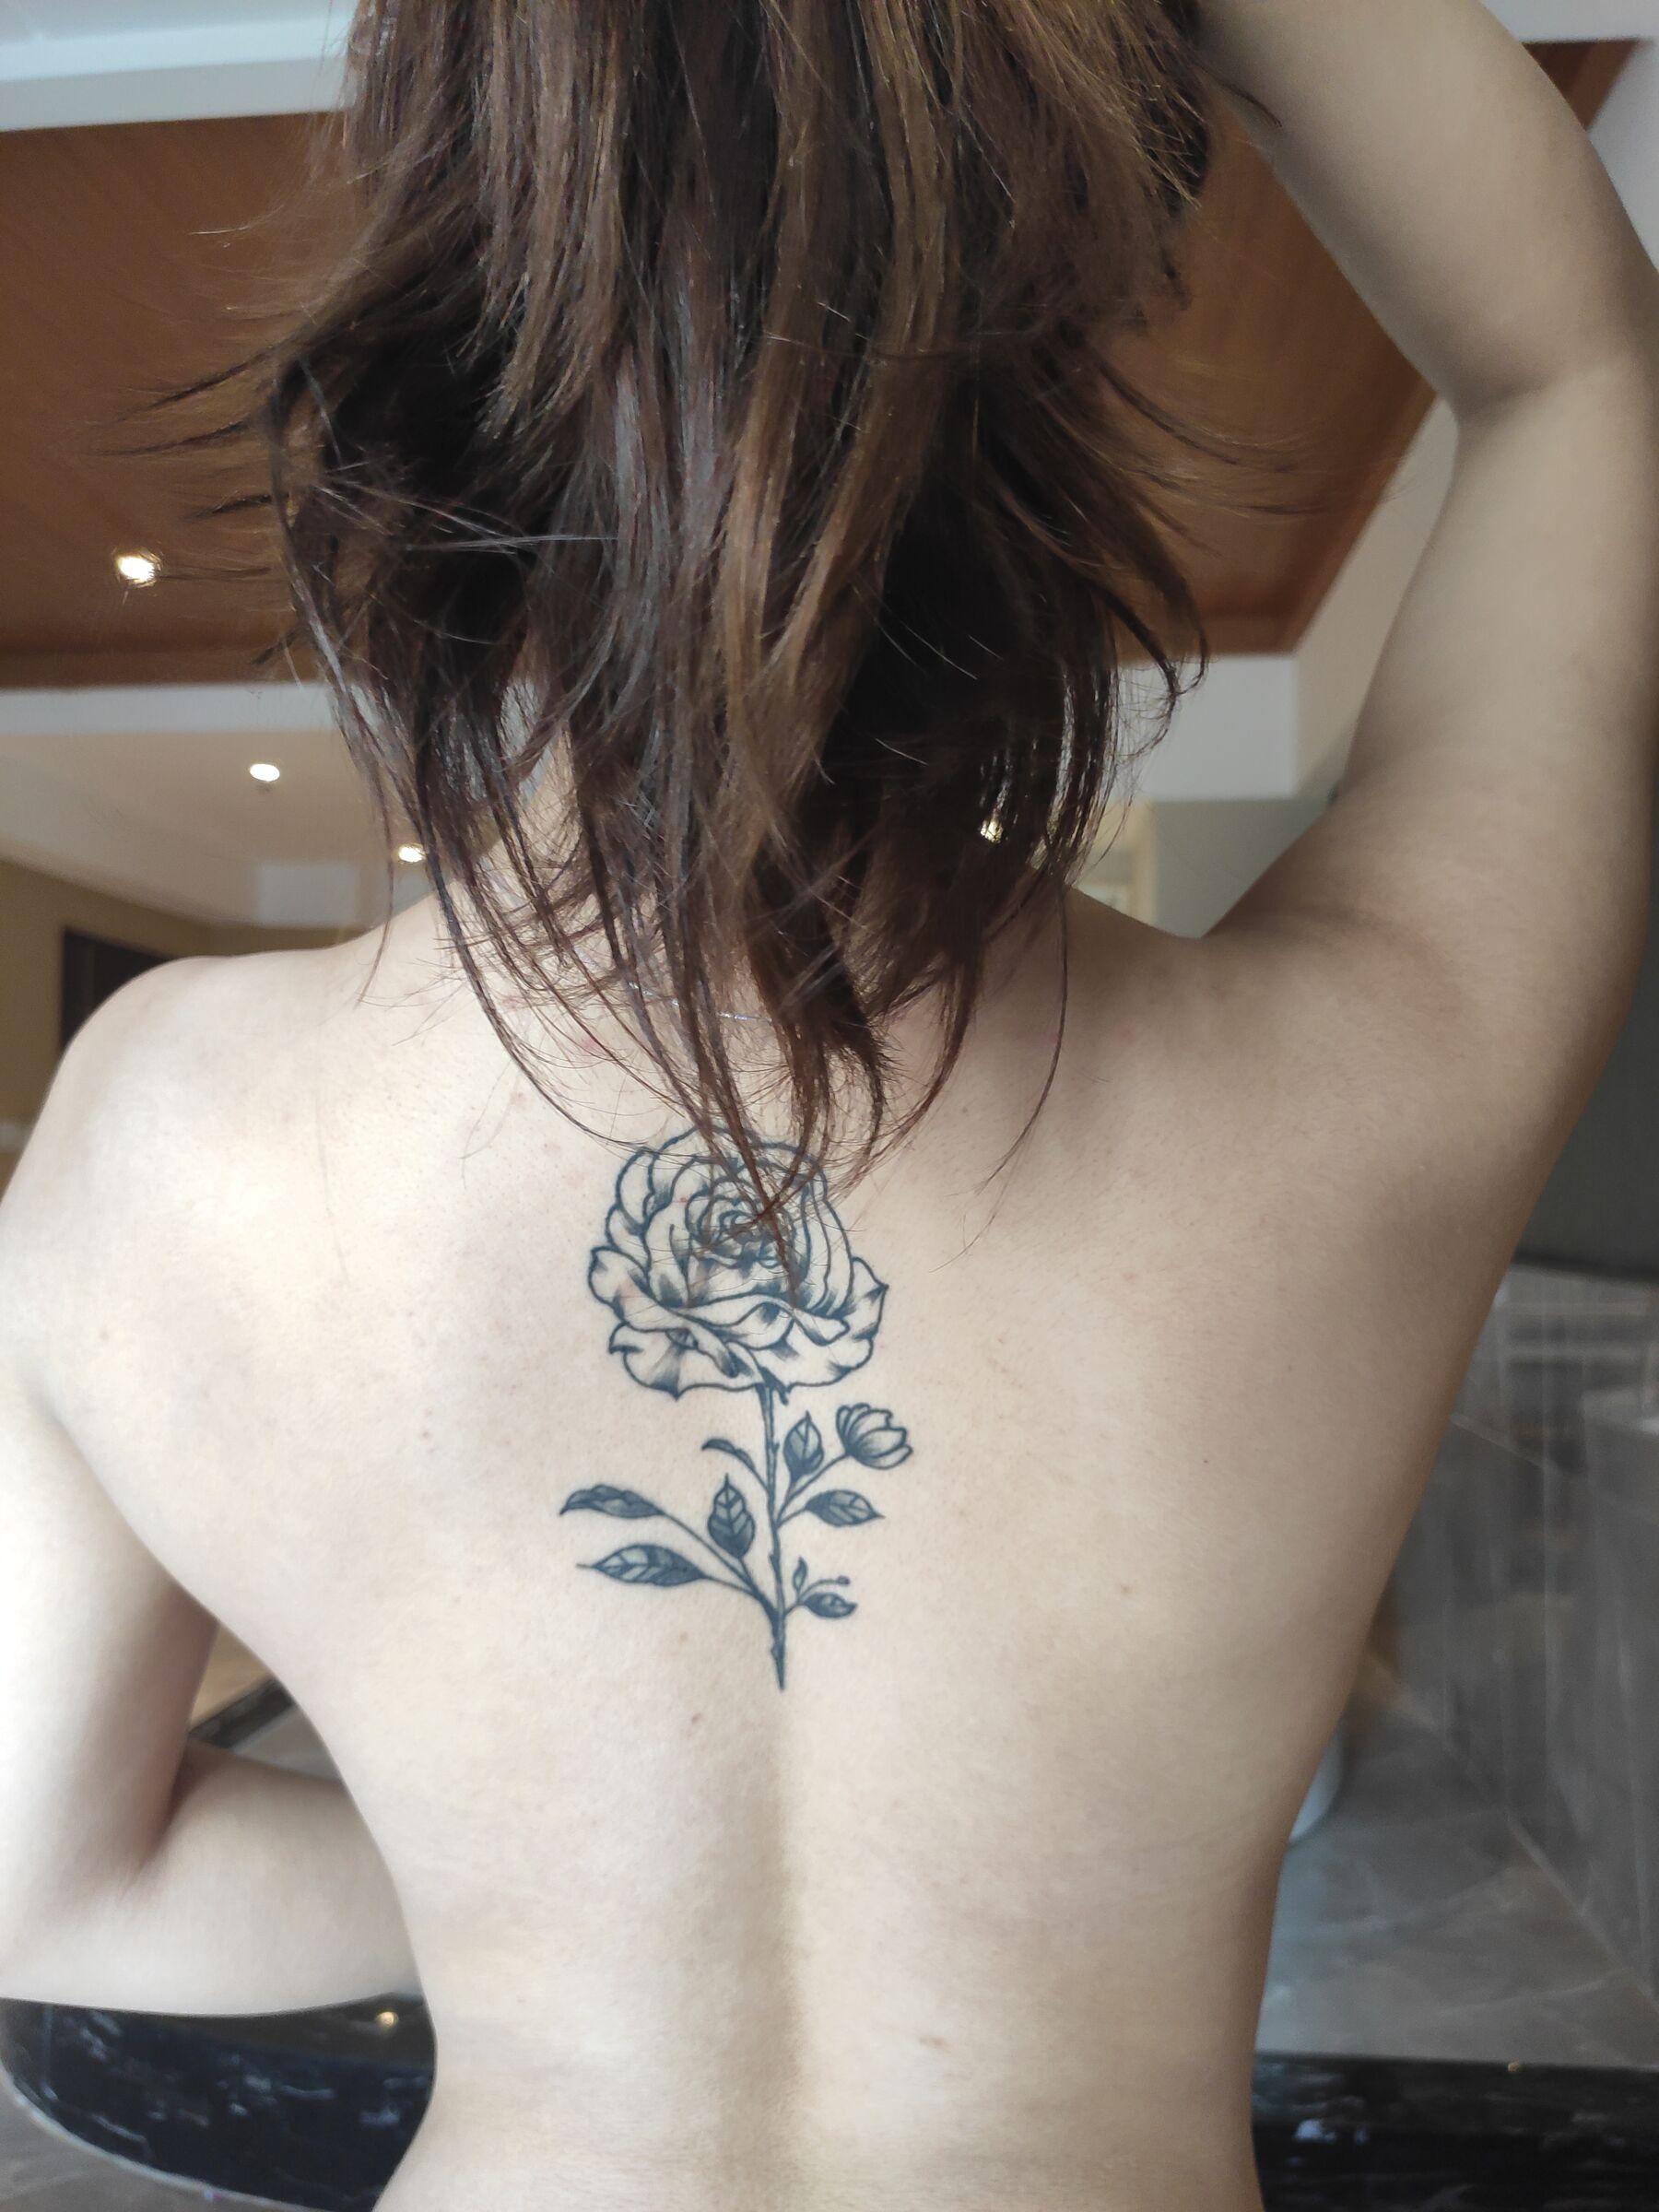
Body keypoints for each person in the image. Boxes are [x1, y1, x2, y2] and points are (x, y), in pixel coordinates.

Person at [2, 3, 1655, 2206]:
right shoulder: (1367, 1085)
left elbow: (55, 1888)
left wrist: (559, 1904)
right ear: (1050, 368)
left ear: (444, 330)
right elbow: (1581, 378)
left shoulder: (157, 1138)